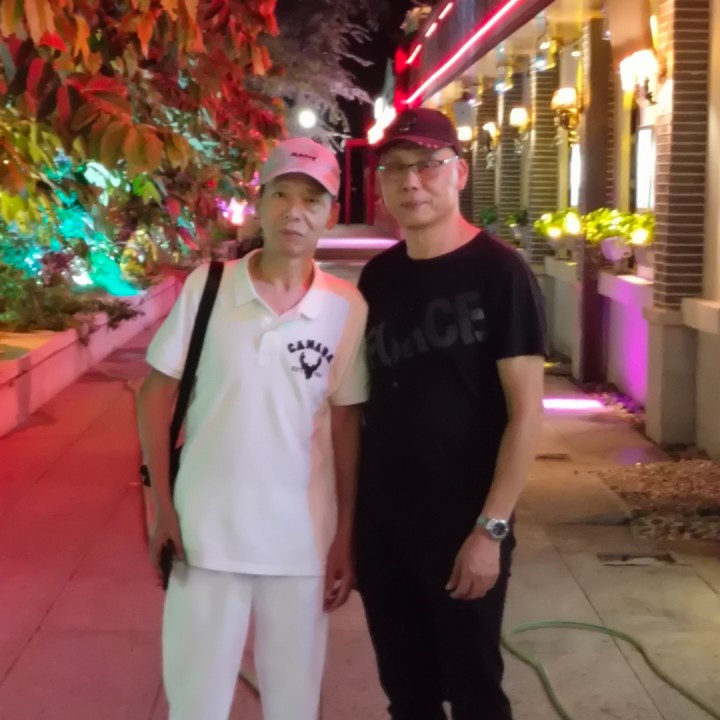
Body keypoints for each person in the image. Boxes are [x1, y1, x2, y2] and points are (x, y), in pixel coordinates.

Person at [137, 137, 368, 720]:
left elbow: (345, 422)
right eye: (281, 194)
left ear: (331, 214)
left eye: (312, 200)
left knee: (293, 703)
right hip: (205, 535)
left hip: (301, 542)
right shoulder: (209, 286)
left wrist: (344, 533)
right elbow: (155, 395)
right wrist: (162, 507)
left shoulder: (346, 307)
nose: (295, 212)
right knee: (196, 703)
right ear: (259, 203)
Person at [355, 108, 547, 720]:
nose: (411, 182)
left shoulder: (501, 273)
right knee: (406, 691)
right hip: (383, 523)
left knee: (474, 690)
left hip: (463, 521)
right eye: (395, 168)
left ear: (459, 173)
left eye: (427, 165)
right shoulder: (378, 277)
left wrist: (491, 530)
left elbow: (526, 414)